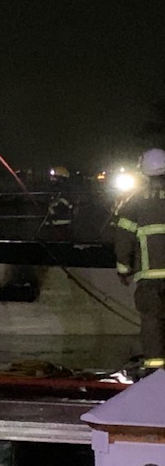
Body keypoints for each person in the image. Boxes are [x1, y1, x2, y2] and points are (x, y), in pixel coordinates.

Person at [115, 148, 165, 376]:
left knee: (152, 320)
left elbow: (123, 240)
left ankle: (155, 371)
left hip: (148, 277)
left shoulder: (134, 203)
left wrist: (123, 269)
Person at [45, 166, 76, 240]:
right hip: (51, 221)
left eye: (55, 177)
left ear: (61, 179)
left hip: (62, 221)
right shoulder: (51, 189)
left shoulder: (67, 190)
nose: (52, 179)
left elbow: (69, 203)